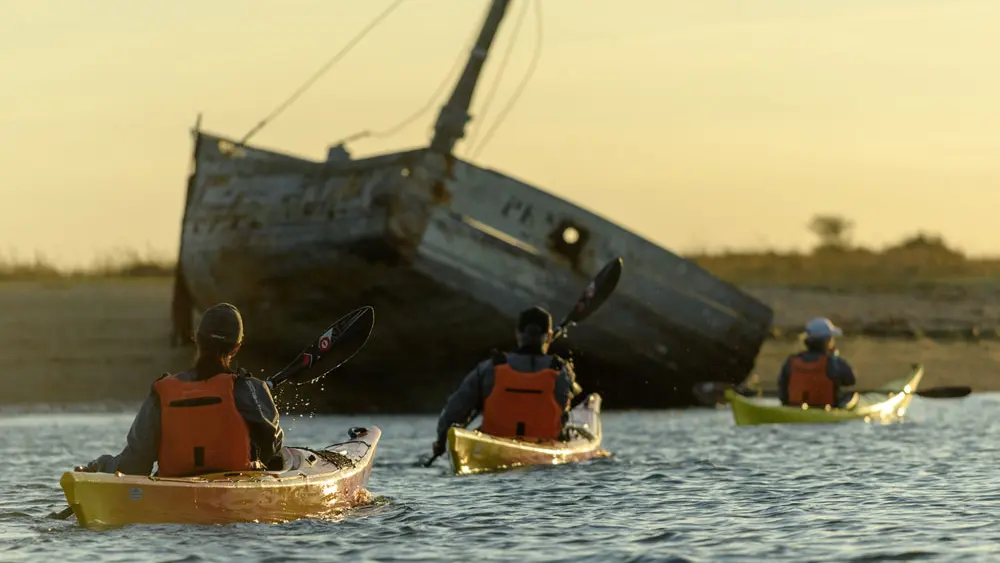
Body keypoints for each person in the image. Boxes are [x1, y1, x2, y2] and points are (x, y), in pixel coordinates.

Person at [77, 303, 285, 477]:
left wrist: (101, 465)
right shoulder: (249, 387)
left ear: (197, 338)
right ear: (236, 347)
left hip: (173, 491)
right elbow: (272, 450)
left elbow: (135, 463)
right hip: (235, 489)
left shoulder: (163, 390)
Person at [430, 306, 582, 457]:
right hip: (545, 452)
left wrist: (441, 442)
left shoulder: (490, 367)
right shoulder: (562, 371)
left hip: (491, 451)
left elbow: (454, 411)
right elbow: (568, 407)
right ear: (548, 336)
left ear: (517, 334)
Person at [777, 317, 857, 407]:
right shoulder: (833, 362)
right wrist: (835, 356)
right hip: (825, 409)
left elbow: (782, 388)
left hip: (795, 408)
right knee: (852, 396)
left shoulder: (791, 361)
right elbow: (851, 380)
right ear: (827, 341)